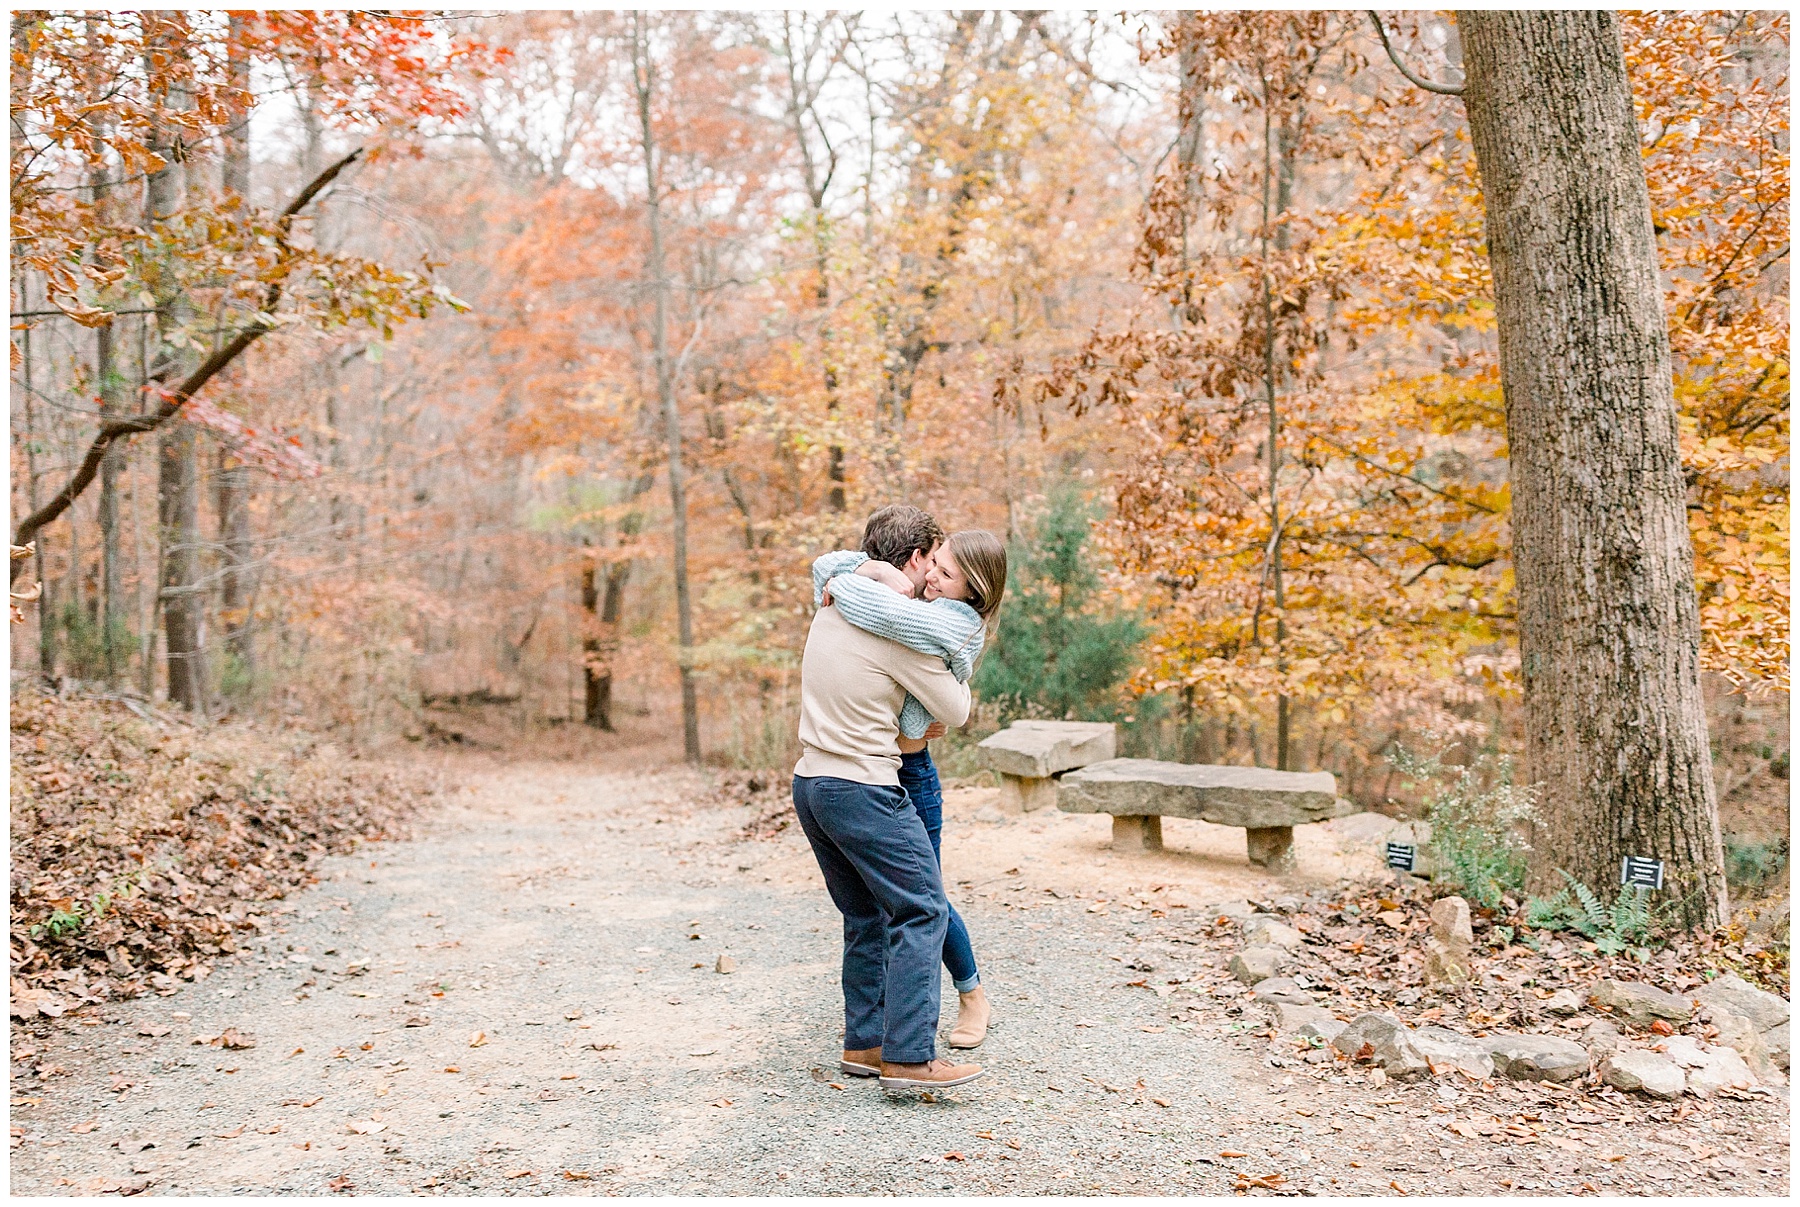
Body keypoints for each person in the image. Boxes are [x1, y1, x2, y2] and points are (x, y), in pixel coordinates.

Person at [791, 504, 984, 1090]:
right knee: (922, 908)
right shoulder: (898, 628)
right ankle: (909, 1056)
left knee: (866, 915)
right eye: (932, 562)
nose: (933, 577)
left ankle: (866, 1044)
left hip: (811, 785)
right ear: (914, 559)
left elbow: (833, 571)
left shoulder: (832, 605)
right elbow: (957, 710)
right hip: (863, 787)